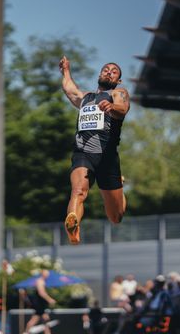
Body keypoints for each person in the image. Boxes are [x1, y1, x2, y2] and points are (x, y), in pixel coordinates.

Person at [59, 55, 130, 244]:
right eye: (106, 69)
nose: (109, 71)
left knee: (116, 217)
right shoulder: (86, 98)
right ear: (100, 74)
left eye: (114, 71)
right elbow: (69, 89)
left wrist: (112, 106)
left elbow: (122, 109)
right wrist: (65, 71)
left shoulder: (117, 93)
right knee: (78, 191)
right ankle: (73, 226)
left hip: (107, 156)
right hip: (83, 153)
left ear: (118, 80)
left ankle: (120, 190)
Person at [24, 270, 56, 334]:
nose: (48, 276)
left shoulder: (42, 281)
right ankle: (26, 332)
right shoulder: (40, 281)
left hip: (40, 304)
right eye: (47, 274)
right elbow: (41, 293)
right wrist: (49, 299)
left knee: (45, 319)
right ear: (43, 274)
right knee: (36, 319)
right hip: (39, 304)